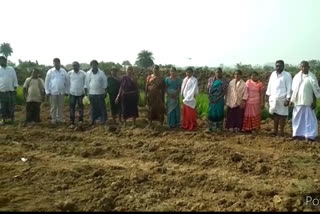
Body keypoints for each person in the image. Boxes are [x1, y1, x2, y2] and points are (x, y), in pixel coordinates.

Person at [290, 61, 320, 141]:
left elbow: (315, 90)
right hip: (298, 101)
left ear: (308, 67)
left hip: (308, 100)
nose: (304, 68)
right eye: (302, 66)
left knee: (309, 118)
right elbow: (293, 89)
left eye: (305, 66)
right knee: (297, 118)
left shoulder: (312, 77)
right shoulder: (296, 77)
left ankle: (310, 135)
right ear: (300, 67)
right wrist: (291, 100)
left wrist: (314, 101)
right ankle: (297, 134)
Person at [266, 60, 292, 137]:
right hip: (273, 98)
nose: (278, 67)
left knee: (283, 116)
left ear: (283, 66)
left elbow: (289, 88)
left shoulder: (287, 75)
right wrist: (267, 96)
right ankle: (275, 130)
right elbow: (269, 85)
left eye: (280, 66)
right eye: (277, 66)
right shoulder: (273, 74)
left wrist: (288, 99)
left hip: (282, 99)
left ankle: (281, 132)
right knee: (275, 115)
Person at [45, 58, 69, 125]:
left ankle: (60, 119)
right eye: (54, 63)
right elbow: (46, 82)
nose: (56, 64)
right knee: (53, 106)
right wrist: (47, 91)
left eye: (57, 63)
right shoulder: (50, 71)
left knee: (60, 106)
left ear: (59, 63)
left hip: (61, 92)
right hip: (53, 92)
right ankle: (54, 119)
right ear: (53, 63)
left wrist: (67, 91)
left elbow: (67, 82)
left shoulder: (63, 71)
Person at [85, 60, 108, 125]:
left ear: (97, 65)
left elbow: (105, 82)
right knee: (93, 107)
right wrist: (87, 93)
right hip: (92, 93)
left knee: (102, 107)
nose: (94, 66)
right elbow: (86, 83)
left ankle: (104, 120)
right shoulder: (88, 73)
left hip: (100, 93)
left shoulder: (101, 73)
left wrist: (105, 91)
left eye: (95, 64)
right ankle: (93, 120)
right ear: (91, 65)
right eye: (92, 65)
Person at [0, 56, 18, 125]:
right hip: (1, 91)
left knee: (11, 106)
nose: (1, 62)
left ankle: (12, 119)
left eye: (2, 60)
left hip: (10, 91)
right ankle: (3, 119)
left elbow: (14, 78)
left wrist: (15, 87)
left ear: (5, 61)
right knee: (2, 106)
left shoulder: (11, 69)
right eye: (0, 61)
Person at [68, 61, 86, 127]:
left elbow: (85, 84)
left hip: (81, 93)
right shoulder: (69, 73)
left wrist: (85, 93)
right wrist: (68, 92)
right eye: (73, 65)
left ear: (79, 66)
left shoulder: (83, 74)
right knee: (72, 108)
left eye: (76, 65)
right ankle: (72, 121)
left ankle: (81, 120)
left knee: (81, 107)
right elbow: (68, 83)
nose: (74, 66)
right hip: (72, 93)